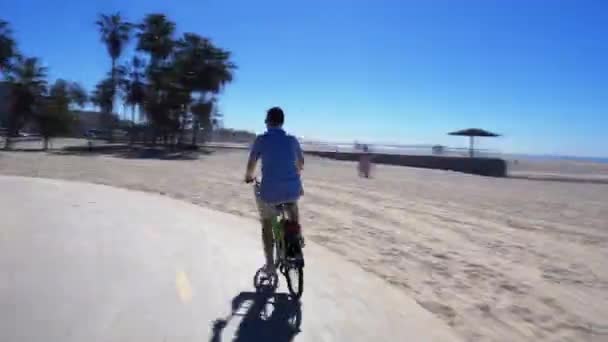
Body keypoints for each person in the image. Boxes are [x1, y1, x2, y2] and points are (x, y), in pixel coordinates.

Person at [244, 107, 304, 275]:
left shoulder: (261, 140)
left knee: (267, 224)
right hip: (293, 189)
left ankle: (270, 266)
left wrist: (249, 176)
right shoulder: (292, 140)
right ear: (282, 122)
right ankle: (296, 238)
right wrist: (295, 173)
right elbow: (300, 163)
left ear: (268, 122)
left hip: (270, 192)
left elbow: (252, 163)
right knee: (292, 204)